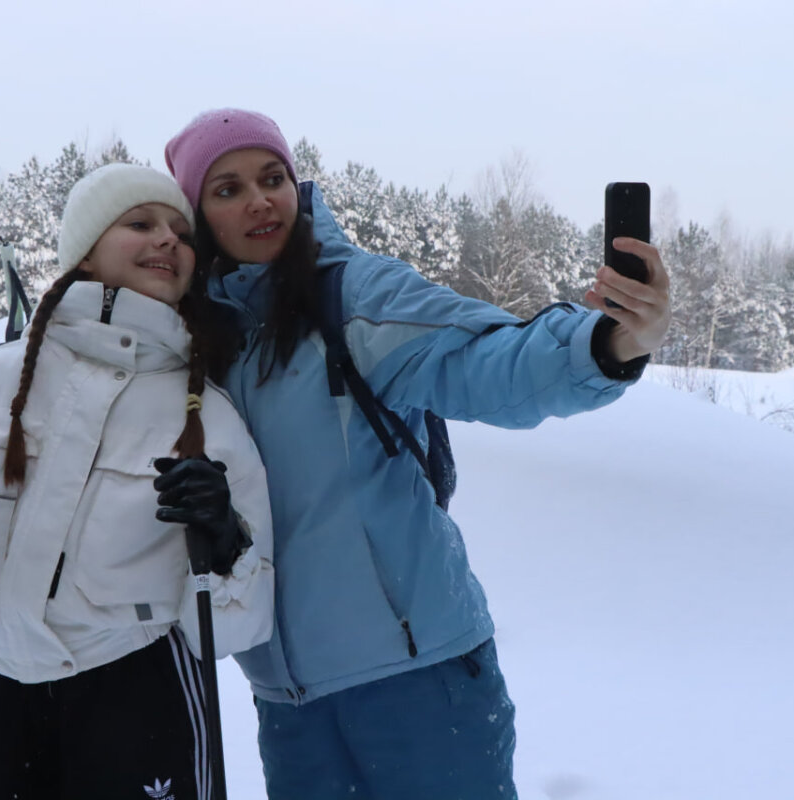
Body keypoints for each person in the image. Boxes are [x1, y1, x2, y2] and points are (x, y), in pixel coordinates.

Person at [164, 108, 672, 799]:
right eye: (227, 189)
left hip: (418, 681)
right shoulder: (194, 345)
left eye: (272, 177)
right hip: (288, 703)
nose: (259, 199)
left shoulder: (353, 294)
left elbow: (486, 359)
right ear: (197, 214)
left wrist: (606, 345)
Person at [0, 163, 274, 800]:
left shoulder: (208, 416)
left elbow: (231, 632)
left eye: (180, 232)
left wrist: (224, 541)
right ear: (83, 253)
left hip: (137, 696)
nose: (168, 239)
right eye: (140, 223)